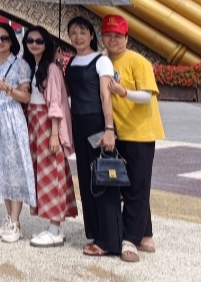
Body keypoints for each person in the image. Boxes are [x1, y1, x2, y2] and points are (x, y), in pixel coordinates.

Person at [103, 14, 165, 263]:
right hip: (119, 132)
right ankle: (146, 235)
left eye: (118, 36)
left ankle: (130, 239)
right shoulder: (105, 62)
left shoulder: (138, 61)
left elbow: (147, 96)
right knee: (133, 186)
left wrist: (123, 92)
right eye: (108, 35)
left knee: (136, 187)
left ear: (127, 38)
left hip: (140, 133)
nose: (113, 40)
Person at [64, 15, 121, 259]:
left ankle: (109, 240)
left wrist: (109, 129)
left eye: (82, 32)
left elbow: (106, 96)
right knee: (88, 179)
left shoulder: (101, 61)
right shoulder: (71, 61)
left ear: (91, 35)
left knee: (103, 179)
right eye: (73, 33)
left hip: (97, 122)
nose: (78, 37)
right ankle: (96, 232)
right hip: (79, 124)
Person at [21, 25, 77, 247]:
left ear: (47, 44)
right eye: (30, 41)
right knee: (41, 173)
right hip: (33, 123)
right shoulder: (33, 66)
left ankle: (55, 227)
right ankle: (53, 226)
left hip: (46, 123)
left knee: (52, 173)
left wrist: (55, 134)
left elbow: (55, 104)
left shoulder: (51, 69)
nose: (34, 45)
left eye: (39, 41)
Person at [0, 22, 36, 243]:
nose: (0, 41)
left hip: (11, 117)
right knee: (1, 168)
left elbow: (26, 97)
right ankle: (9, 218)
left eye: (4, 38)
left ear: (12, 41)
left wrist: (10, 90)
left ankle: (16, 221)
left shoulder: (20, 65)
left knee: (15, 169)